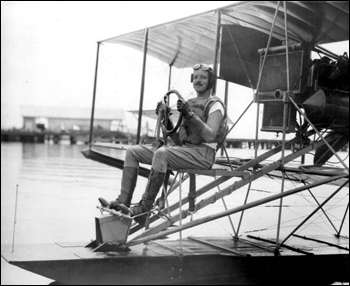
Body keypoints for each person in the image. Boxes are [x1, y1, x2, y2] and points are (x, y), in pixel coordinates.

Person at [99, 63, 228, 224]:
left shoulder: (215, 104)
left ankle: (144, 208)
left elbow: (210, 136)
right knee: (132, 151)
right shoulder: (190, 102)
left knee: (162, 154)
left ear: (210, 81)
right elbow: (179, 141)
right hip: (186, 151)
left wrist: (189, 114)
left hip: (203, 155)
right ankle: (123, 201)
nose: (198, 80)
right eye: (195, 77)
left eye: (203, 77)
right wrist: (166, 117)